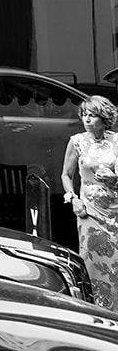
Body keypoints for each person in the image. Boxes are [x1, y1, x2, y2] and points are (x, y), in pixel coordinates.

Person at [61, 95, 118, 308]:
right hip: (89, 212)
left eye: (92, 115)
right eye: (84, 115)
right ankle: (96, 311)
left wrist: (114, 179)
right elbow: (66, 175)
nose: (87, 119)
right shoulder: (76, 141)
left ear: (104, 118)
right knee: (91, 261)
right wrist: (73, 199)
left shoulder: (117, 141)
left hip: (115, 211)